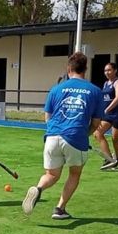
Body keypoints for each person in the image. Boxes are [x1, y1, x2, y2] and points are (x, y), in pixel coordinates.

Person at [22, 52, 105, 219]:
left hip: (52, 136)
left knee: (51, 175)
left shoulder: (56, 89)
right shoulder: (95, 91)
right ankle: (60, 208)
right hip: (76, 137)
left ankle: (38, 188)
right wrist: (84, 135)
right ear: (85, 69)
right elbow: (96, 123)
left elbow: (47, 117)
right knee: (74, 174)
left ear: (69, 69)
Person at [93, 62, 118, 170]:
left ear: (115, 70)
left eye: (109, 70)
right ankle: (108, 158)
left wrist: (106, 110)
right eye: (105, 70)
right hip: (109, 114)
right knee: (97, 133)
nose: (107, 72)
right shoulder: (105, 84)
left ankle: (117, 158)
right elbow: (103, 99)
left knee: (115, 138)